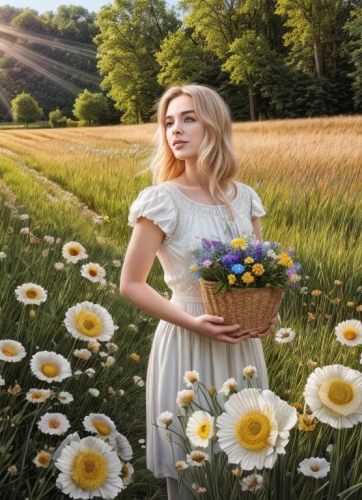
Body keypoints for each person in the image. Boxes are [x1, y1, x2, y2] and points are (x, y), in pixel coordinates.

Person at [120, 84, 278, 499]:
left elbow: (261, 274)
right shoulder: (162, 200)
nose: (176, 129)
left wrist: (267, 315)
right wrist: (195, 323)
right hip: (187, 338)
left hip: (242, 347)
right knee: (193, 468)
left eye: (189, 118)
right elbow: (131, 284)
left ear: (215, 125)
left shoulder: (244, 199)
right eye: (169, 122)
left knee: (247, 464)